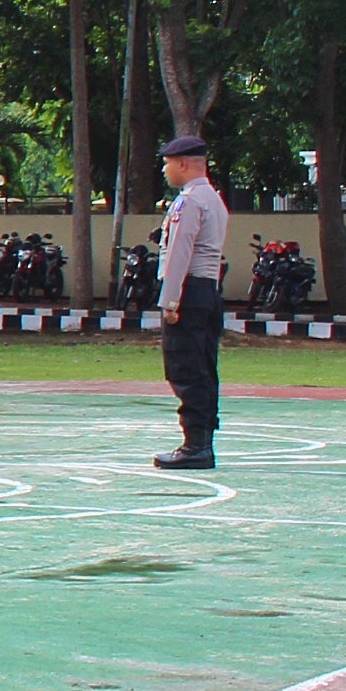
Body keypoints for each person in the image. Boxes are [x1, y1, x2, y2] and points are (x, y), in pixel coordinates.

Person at [152, 135, 228, 470]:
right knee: (202, 366)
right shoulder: (213, 198)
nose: (166, 169)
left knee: (186, 368)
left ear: (183, 163)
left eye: (168, 162)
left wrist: (169, 300)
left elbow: (180, 251)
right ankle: (201, 440)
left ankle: (196, 445)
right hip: (206, 291)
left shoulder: (190, 201)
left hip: (188, 291)